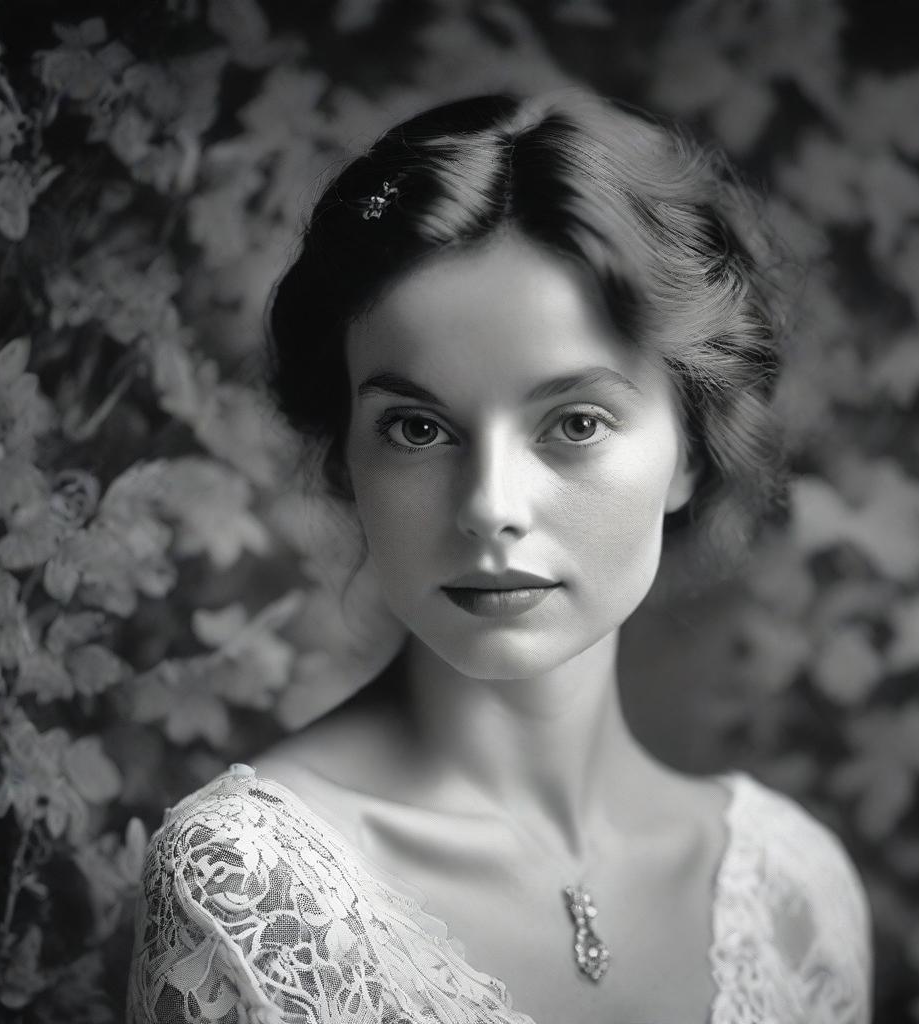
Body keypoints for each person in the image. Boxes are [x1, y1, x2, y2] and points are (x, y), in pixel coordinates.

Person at [127, 90, 872, 1024]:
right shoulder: (248, 890)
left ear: (689, 448)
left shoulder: (797, 889)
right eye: (417, 427)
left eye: (575, 423)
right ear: (347, 458)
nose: (490, 507)